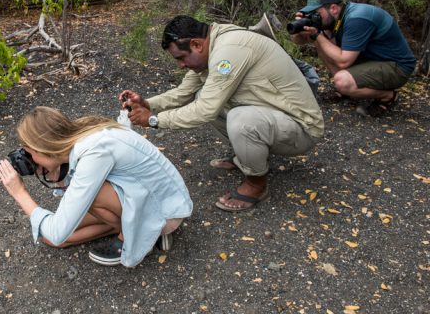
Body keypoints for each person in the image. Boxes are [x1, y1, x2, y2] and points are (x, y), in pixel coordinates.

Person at [120, 15, 324, 212]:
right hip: (274, 117)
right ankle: (248, 156)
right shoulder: (213, 46)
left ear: (197, 44)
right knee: (204, 95)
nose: (181, 65)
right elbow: (183, 93)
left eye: (181, 58)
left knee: (239, 119)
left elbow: (204, 110)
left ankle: (256, 184)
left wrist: (154, 120)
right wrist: (147, 104)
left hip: (302, 127)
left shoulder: (228, 51)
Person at [0, 106, 192, 267]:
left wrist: (19, 192)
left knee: (77, 209)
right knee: (50, 236)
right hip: (144, 194)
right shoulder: (83, 134)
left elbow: (57, 231)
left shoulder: (94, 152)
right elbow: (55, 236)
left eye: (30, 153)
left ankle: (144, 234)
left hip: (166, 211)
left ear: (44, 148)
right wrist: (53, 171)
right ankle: (144, 232)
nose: (30, 159)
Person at [291, 0, 416, 117]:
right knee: (322, 43)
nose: (314, 17)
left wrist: (317, 35)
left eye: (316, 13)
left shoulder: (357, 18)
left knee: (342, 81)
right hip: (373, 60)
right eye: (310, 13)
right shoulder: (334, 18)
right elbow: (298, 41)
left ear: (333, 8)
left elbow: (343, 62)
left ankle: (388, 95)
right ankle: (347, 90)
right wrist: (301, 27)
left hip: (398, 67)